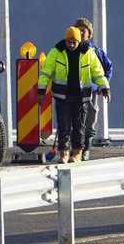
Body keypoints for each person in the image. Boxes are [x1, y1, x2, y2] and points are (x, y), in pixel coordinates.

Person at [38, 26, 109, 163]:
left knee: (79, 127)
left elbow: (97, 72)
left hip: (81, 97)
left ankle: (76, 153)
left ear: (79, 42)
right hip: (62, 96)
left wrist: (104, 87)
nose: (71, 45)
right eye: (68, 42)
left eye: (74, 42)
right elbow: (46, 72)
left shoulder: (88, 53)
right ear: (65, 40)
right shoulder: (56, 52)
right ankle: (63, 153)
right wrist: (41, 91)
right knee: (63, 125)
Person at [74, 17, 113, 158]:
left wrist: (101, 86)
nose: (80, 32)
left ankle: (86, 150)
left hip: (91, 93)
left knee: (90, 121)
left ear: (89, 33)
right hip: (74, 92)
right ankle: (75, 149)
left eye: (83, 30)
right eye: (78, 30)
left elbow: (107, 68)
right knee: (75, 121)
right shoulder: (70, 51)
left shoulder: (96, 52)